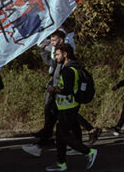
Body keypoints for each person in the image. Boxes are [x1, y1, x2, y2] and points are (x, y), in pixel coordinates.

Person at [45, 43, 98, 172]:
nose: (55, 57)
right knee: (60, 135)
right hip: (67, 106)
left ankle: (88, 152)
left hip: (68, 107)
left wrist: (53, 90)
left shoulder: (69, 70)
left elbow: (67, 90)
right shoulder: (72, 67)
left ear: (65, 54)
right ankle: (61, 163)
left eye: (57, 54)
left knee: (63, 135)